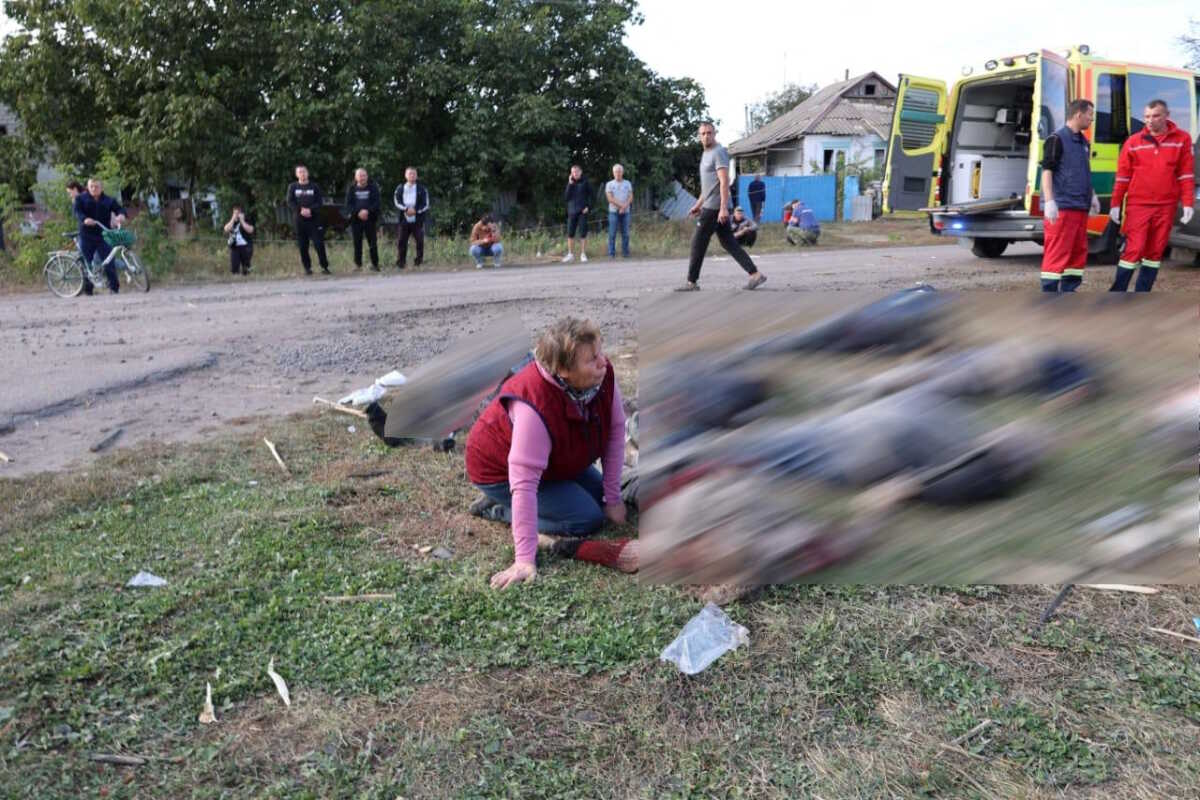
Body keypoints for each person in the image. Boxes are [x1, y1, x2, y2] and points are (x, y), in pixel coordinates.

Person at [465, 317, 635, 589]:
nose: (603, 362)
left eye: (600, 352)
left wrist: (613, 499)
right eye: (591, 359)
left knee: (600, 499)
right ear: (564, 370)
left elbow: (615, 432)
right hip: (498, 469)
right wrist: (524, 559)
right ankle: (497, 507)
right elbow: (524, 483)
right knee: (586, 518)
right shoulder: (534, 406)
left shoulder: (601, 377)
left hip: (558, 459)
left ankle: (538, 499)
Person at [1109, 99, 1196, 292]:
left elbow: (1185, 174)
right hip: (1138, 205)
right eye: (1147, 116)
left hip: (1166, 206)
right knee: (1135, 248)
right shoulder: (1133, 142)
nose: (1150, 120)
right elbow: (1122, 177)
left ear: (1166, 116)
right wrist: (1115, 203)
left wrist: (1188, 203)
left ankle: (1143, 294)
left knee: (1155, 252)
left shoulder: (1182, 139)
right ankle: (1117, 293)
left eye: (1155, 116)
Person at [678, 122, 767, 291]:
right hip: (710, 205)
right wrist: (698, 205)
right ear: (699, 136)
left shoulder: (718, 152)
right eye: (703, 133)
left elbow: (724, 181)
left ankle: (691, 282)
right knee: (728, 242)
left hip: (715, 207)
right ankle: (755, 274)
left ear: (714, 134)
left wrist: (724, 208)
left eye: (709, 133)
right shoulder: (706, 153)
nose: (706, 136)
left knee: (697, 242)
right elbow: (709, 186)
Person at [1038, 99, 1100, 292]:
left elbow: (1083, 172)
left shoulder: (1083, 142)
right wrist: (1050, 201)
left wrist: (1092, 196)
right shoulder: (1056, 139)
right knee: (1057, 253)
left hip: (1079, 207)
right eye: (1090, 114)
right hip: (1063, 208)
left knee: (1077, 254)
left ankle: (1069, 293)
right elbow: (1047, 171)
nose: (1091, 119)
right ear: (1078, 114)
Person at [73, 178, 127, 295]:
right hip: (86, 235)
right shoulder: (80, 199)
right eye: (91, 186)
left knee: (109, 261)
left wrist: (121, 215)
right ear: (88, 187)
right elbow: (77, 212)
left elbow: (120, 209)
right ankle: (88, 290)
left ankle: (114, 288)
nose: (94, 189)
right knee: (87, 263)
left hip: (103, 235)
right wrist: (84, 219)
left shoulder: (108, 200)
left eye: (96, 186)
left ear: (101, 188)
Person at [286, 165, 330, 275]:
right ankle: (307, 268)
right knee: (302, 246)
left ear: (308, 173)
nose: (302, 174)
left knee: (319, 244)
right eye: (300, 172)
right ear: (296, 174)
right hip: (299, 221)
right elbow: (290, 202)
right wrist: (300, 210)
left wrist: (310, 210)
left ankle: (324, 267)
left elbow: (319, 202)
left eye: (304, 171)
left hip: (314, 220)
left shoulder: (314, 186)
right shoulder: (292, 187)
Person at [343, 168, 380, 271]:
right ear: (356, 177)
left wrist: (367, 211)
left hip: (370, 219)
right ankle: (358, 265)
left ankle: (375, 265)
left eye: (364, 175)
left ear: (367, 176)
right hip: (356, 220)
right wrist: (358, 212)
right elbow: (348, 204)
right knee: (357, 243)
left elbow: (376, 203)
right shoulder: (351, 189)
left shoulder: (373, 188)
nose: (362, 177)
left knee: (372, 243)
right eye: (360, 175)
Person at [393, 166, 430, 269]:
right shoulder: (400, 188)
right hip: (404, 219)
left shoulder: (422, 189)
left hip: (418, 219)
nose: (412, 175)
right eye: (410, 173)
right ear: (406, 175)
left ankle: (418, 263)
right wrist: (406, 209)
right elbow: (396, 201)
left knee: (420, 241)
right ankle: (401, 263)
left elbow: (426, 204)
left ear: (417, 176)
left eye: (414, 174)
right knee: (401, 241)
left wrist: (415, 210)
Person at [562, 164, 591, 263]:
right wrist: (570, 184)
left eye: (577, 171)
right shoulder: (570, 183)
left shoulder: (586, 182)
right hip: (572, 212)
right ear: (571, 173)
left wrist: (588, 207)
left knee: (583, 233)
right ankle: (570, 255)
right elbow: (566, 198)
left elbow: (592, 196)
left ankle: (583, 254)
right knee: (570, 234)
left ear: (580, 172)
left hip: (582, 211)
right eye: (573, 172)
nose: (575, 173)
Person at [605, 163, 633, 258]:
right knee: (612, 233)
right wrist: (621, 206)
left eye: (619, 171)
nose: (618, 173)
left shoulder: (627, 183)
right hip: (613, 212)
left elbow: (630, 197)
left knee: (626, 234)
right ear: (613, 173)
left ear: (622, 172)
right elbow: (610, 198)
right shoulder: (609, 184)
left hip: (626, 212)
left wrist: (624, 207)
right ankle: (611, 254)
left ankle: (625, 253)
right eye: (616, 172)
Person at [223, 204, 256, 275]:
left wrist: (242, 221)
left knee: (246, 267)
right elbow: (226, 229)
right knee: (234, 267)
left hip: (246, 246)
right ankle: (236, 277)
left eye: (238, 213)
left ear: (241, 213)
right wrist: (232, 219)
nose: (236, 215)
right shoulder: (231, 221)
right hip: (235, 246)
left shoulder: (247, 219)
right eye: (234, 213)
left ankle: (247, 276)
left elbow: (250, 230)